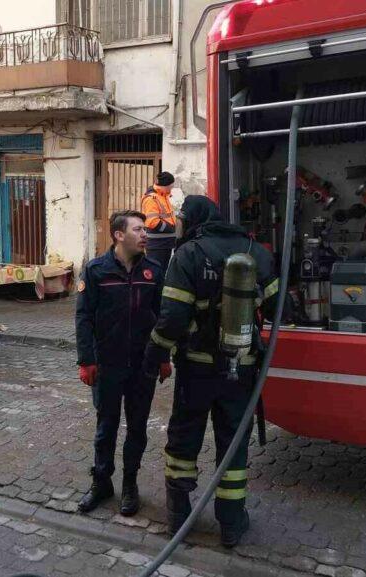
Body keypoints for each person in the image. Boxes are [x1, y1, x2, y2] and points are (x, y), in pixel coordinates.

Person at [141, 195, 279, 548]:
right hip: (242, 369)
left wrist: (153, 354)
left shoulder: (187, 255)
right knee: (233, 445)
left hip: (197, 368)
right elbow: (284, 308)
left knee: (184, 438)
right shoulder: (256, 251)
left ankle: (178, 515)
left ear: (196, 219)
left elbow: (172, 318)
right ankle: (232, 524)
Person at [75, 210, 167, 516]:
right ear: (118, 235)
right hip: (107, 365)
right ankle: (101, 483)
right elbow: (84, 318)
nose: (145, 235)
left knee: (137, 428)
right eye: (138, 230)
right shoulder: (96, 270)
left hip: (143, 366)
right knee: (106, 427)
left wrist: (163, 357)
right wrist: (87, 361)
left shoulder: (153, 270)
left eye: (145, 230)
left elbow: (162, 318)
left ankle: (130, 484)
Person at [141, 171, 178, 273]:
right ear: (165, 186)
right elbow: (152, 221)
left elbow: (167, 216)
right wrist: (170, 228)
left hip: (165, 243)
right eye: (171, 186)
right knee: (155, 272)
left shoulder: (163, 196)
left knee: (161, 273)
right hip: (156, 244)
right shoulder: (151, 198)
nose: (172, 188)